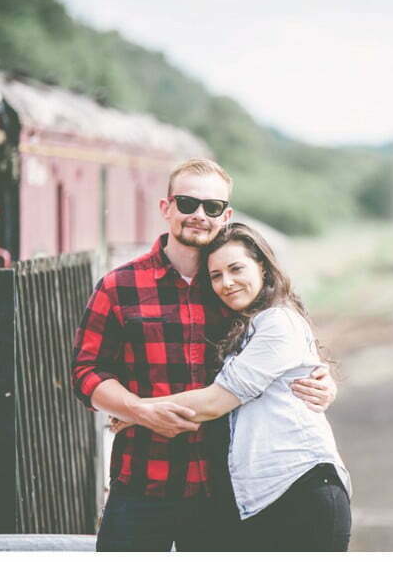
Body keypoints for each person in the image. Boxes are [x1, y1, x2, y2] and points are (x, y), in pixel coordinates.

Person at [71, 159, 337, 552]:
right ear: (166, 208)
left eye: (212, 207)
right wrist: (135, 409)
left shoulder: (234, 290)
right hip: (142, 482)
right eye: (187, 203)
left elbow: (282, 349)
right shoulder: (118, 286)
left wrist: (323, 381)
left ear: (225, 215)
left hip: (223, 489)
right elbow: (86, 372)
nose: (199, 215)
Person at [111, 222, 352, 551]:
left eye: (236, 268)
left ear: (263, 267)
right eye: (216, 275)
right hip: (264, 499)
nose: (227, 283)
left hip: (301, 491)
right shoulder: (245, 326)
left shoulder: (278, 322)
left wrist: (138, 411)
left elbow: (215, 402)